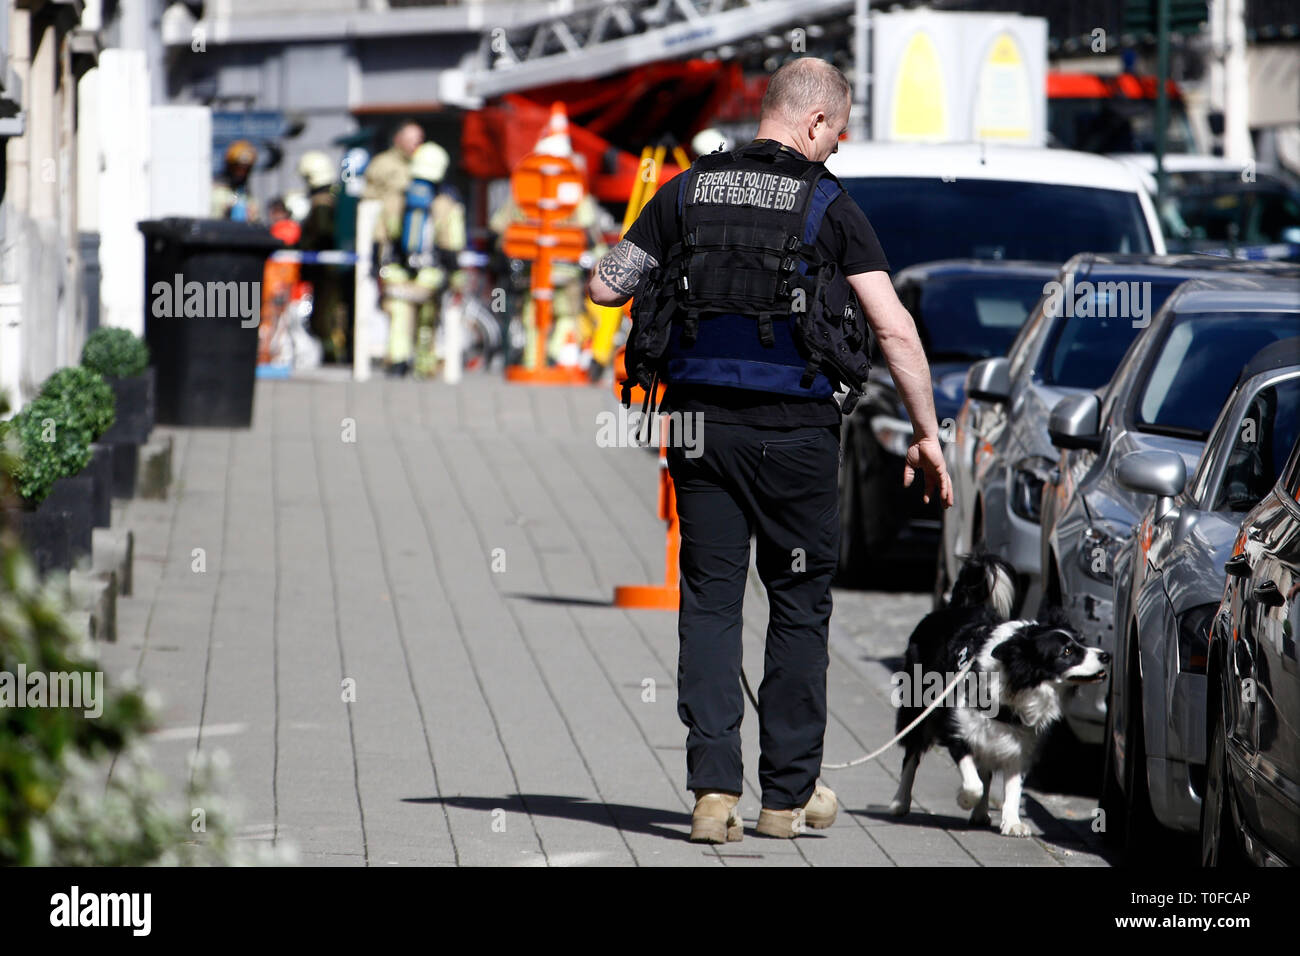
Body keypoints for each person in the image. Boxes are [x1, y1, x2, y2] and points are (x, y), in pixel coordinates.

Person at [587, 57, 953, 843]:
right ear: (815, 122)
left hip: (700, 429)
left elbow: (606, 287)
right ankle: (786, 797)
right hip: (797, 439)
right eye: (840, 133)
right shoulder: (829, 204)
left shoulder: (685, 189)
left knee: (712, 601)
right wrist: (927, 434)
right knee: (797, 605)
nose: (837, 148)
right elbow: (892, 326)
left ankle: (713, 793)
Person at [364, 120, 425, 373]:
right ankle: (394, 358)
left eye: (420, 139)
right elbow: (370, 204)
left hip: (415, 249)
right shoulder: (383, 165)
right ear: (397, 139)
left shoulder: (421, 164)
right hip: (388, 244)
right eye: (412, 138)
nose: (417, 144)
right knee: (391, 304)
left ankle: (415, 359)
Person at [211, 140, 260, 222]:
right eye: (237, 168)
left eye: (245, 169)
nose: (241, 173)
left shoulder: (248, 197)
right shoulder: (217, 192)